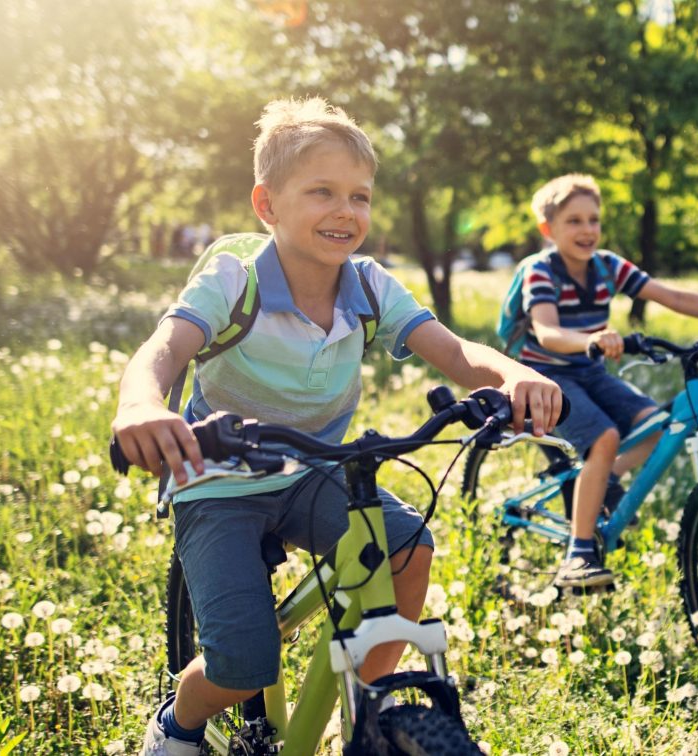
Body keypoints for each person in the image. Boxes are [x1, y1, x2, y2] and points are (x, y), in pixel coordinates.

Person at [112, 97, 562, 756]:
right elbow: (165, 349)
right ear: (267, 205)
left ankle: (366, 719)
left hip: (314, 468)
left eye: (360, 196)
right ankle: (175, 728)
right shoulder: (233, 278)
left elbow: (458, 352)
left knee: (408, 549)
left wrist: (511, 376)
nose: (346, 211)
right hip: (215, 477)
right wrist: (140, 406)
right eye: (321, 192)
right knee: (242, 665)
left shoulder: (372, 286)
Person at [519, 174, 698, 589]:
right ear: (548, 230)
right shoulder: (540, 272)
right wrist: (590, 340)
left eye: (593, 220)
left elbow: (672, 296)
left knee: (658, 426)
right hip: (545, 374)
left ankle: (602, 479)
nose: (587, 230)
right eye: (574, 221)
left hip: (589, 370)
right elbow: (548, 333)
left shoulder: (606, 265)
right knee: (604, 437)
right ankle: (579, 553)